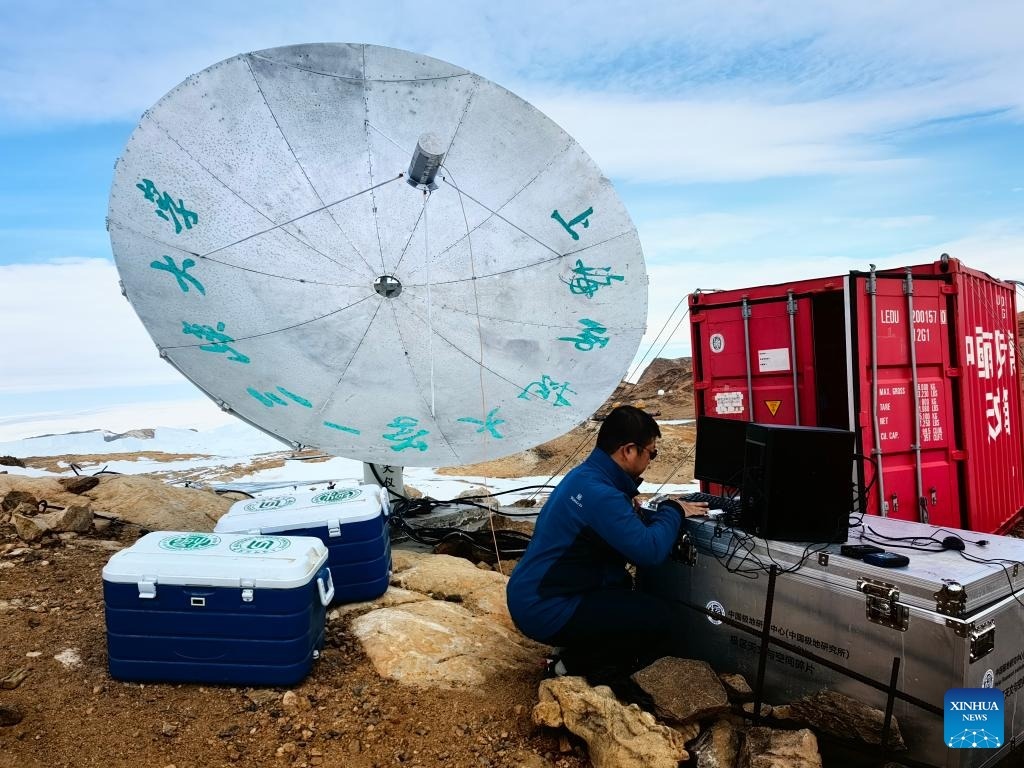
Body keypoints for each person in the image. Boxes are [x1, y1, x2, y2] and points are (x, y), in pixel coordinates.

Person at [506, 405, 708, 678]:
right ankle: (568, 666)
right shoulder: (602, 494)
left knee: (621, 585)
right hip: (545, 608)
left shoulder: (585, 476)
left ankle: (572, 644)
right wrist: (673, 510)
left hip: (532, 595)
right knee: (657, 618)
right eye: (651, 453)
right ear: (629, 451)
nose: (651, 461)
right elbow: (650, 552)